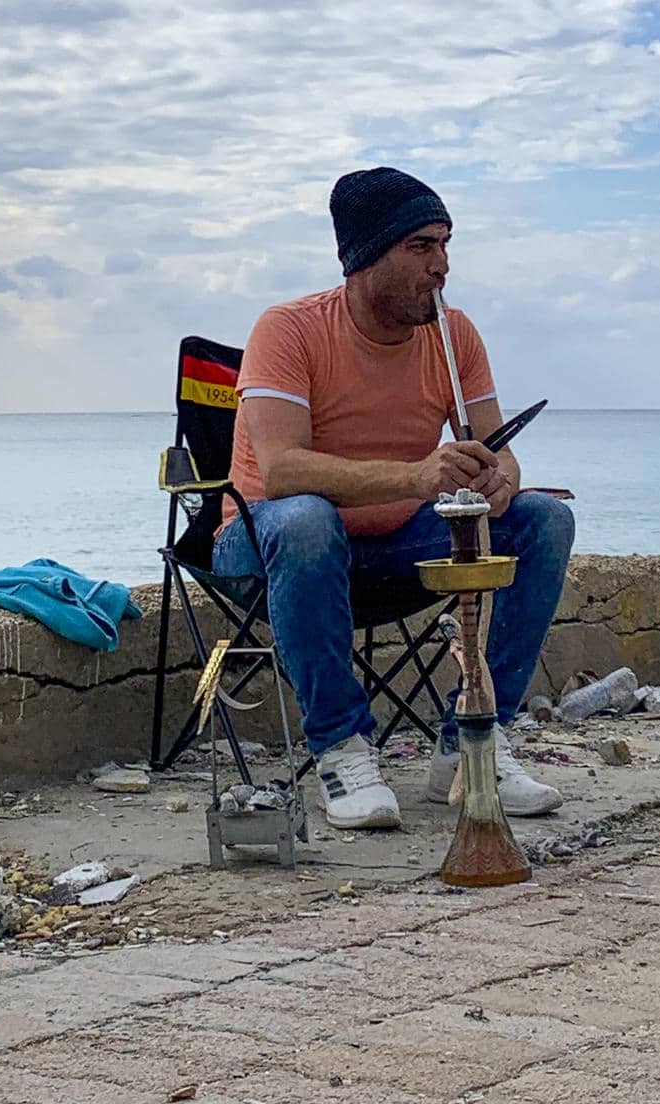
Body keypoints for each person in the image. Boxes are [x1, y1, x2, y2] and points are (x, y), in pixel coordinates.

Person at [212, 166, 576, 830]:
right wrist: (416, 477)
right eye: (421, 247)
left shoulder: (453, 333)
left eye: (445, 244)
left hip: (395, 542)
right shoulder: (288, 330)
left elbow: (496, 446)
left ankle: (471, 745)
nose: (441, 266)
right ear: (364, 257)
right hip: (269, 545)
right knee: (305, 519)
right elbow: (284, 471)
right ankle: (341, 747)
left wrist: (500, 481)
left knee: (544, 521)